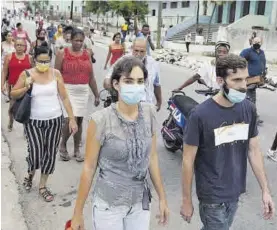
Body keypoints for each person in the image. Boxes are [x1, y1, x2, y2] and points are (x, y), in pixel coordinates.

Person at [70, 56, 169, 230]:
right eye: (129, 81)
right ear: (116, 84)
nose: (135, 86)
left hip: (140, 203)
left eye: (140, 81)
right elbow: (89, 167)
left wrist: (162, 198)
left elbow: (151, 158)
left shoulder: (149, 113)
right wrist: (77, 213)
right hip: (109, 206)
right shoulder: (100, 120)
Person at [180, 54, 275, 230]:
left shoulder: (248, 109)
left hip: (235, 190)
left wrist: (265, 190)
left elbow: (253, 151)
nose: (243, 86)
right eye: (236, 80)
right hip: (212, 196)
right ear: (220, 80)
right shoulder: (200, 115)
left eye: (245, 79)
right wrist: (186, 200)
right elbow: (187, 160)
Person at [10, 42, 78, 202]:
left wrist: (72, 118)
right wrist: (26, 87)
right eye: (40, 61)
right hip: (34, 122)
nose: (43, 64)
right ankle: (30, 174)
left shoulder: (56, 74)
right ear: (34, 60)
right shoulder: (26, 74)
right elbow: (13, 94)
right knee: (35, 153)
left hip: (54, 121)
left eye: (46, 61)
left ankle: (42, 186)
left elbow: (65, 97)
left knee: (49, 154)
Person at [55, 28, 100, 162]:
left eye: (81, 41)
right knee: (70, 119)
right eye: (76, 40)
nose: (79, 43)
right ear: (70, 40)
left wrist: (96, 94)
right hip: (67, 90)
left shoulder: (87, 54)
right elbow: (56, 75)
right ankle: (63, 145)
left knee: (79, 121)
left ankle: (76, 149)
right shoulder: (62, 53)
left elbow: (91, 76)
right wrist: (55, 92)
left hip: (83, 91)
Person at [104, 38, 162, 111]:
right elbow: (107, 81)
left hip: (146, 108)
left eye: (142, 51)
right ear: (132, 48)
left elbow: (156, 84)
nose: (139, 54)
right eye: (136, 50)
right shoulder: (123, 61)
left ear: (146, 51)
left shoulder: (153, 64)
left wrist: (159, 102)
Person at [1, 38, 33, 131]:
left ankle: (25, 127)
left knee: (25, 107)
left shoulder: (29, 58)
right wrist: (2, 84)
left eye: (21, 45)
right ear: (14, 46)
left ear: (25, 47)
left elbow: (33, 72)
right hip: (13, 87)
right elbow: (4, 71)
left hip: (26, 87)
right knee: (12, 107)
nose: (19, 47)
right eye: (17, 45)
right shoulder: (9, 56)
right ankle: (11, 121)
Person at [240, 36, 266, 124]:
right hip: (250, 79)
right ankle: (251, 117)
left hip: (258, 79)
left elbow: (263, 62)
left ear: (261, 43)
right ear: (252, 42)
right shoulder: (247, 51)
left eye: (258, 42)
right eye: (255, 42)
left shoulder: (262, 52)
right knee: (250, 97)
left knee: (251, 97)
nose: (257, 44)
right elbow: (240, 60)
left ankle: (250, 116)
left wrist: (264, 72)